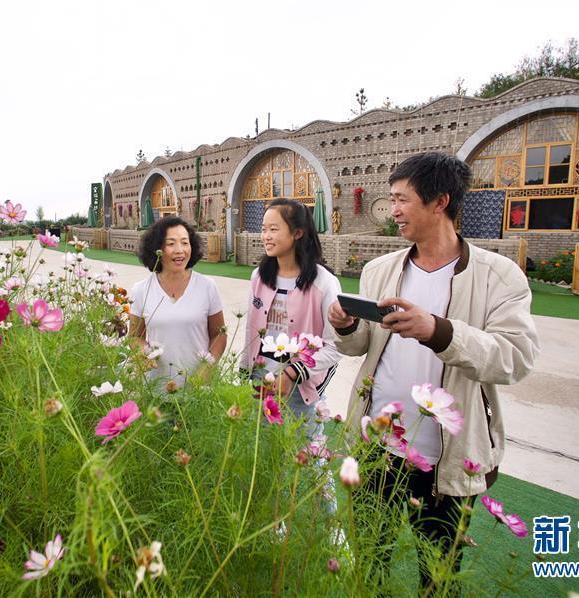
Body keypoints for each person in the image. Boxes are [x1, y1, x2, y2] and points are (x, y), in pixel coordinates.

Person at [327, 152, 539, 588]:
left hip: (445, 460)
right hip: (376, 446)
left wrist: (439, 331)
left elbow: (514, 358)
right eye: (391, 199)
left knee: (439, 577)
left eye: (402, 199)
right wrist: (346, 326)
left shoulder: (498, 276)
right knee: (369, 564)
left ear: (440, 201)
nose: (394, 210)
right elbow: (362, 345)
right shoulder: (380, 270)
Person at [242, 198, 342, 433]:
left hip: (301, 384)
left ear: (298, 233)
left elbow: (336, 346)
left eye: (273, 229)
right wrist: (246, 367)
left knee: (302, 449)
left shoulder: (324, 283)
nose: (266, 236)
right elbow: (250, 328)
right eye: (264, 229)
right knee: (260, 446)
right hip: (261, 377)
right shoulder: (259, 276)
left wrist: (293, 373)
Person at [129, 216, 226, 385]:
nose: (180, 250)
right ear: (157, 248)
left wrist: (208, 366)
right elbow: (134, 336)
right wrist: (143, 353)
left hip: (199, 386)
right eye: (171, 243)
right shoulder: (141, 290)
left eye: (185, 243)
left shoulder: (207, 286)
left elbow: (219, 333)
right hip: (155, 385)